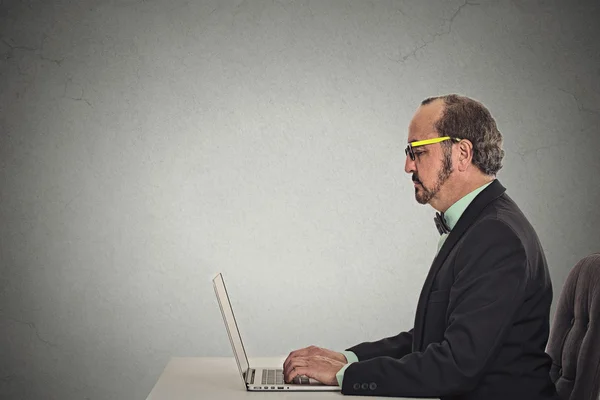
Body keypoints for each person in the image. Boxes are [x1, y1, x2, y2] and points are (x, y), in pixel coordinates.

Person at [282, 94, 559, 400]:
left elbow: (455, 367)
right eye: (408, 152)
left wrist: (345, 377)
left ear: (462, 154)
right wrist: (349, 359)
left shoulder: (496, 236)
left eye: (418, 151)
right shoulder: (480, 224)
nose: (407, 165)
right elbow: (433, 339)